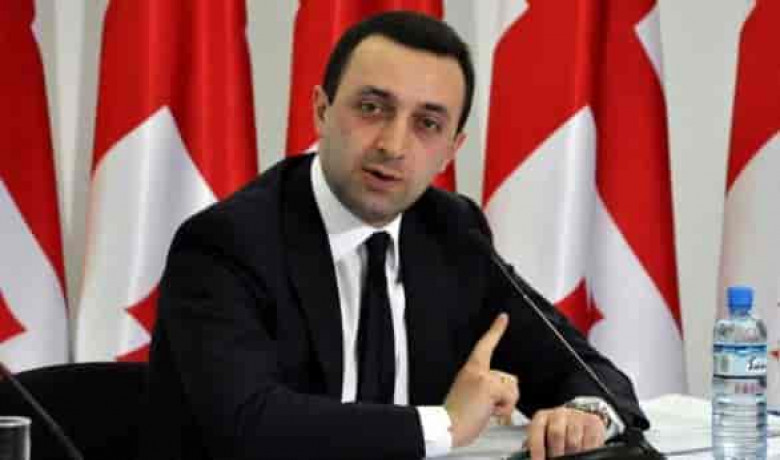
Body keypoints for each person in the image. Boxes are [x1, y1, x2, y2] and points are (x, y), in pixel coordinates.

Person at [141, 11, 648, 460]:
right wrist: (444, 425)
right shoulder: (226, 244)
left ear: (451, 149)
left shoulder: (452, 232)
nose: (394, 144)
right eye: (372, 108)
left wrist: (584, 414)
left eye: (427, 123)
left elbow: (583, 369)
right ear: (321, 110)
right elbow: (248, 427)